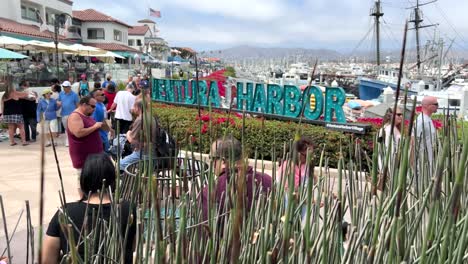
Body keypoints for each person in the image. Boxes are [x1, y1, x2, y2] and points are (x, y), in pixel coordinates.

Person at [42, 153, 136, 264]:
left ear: (83, 180)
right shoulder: (128, 208)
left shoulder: (65, 212)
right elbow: (134, 247)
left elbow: (46, 259)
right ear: (113, 180)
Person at [201, 136, 272, 220]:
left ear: (223, 161)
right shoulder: (268, 181)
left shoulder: (210, 191)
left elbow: (202, 229)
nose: (211, 163)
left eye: (212, 158)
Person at [67, 96, 103, 177]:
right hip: (84, 158)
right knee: (84, 183)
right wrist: (95, 127)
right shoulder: (75, 116)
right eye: (92, 106)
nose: (94, 109)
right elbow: (78, 133)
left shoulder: (86, 115)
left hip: (92, 158)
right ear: (84, 105)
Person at [119, 98, 157, 171]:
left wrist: (128, 133)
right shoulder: (151, 117)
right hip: (151, 151)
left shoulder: (140, 119)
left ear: (138, 107)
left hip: (143, 153)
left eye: (134, 106)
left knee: (120, 165)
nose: (133, 108)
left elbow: (132, 140)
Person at [411, 96, 439, 179]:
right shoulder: (421, 121)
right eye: (436, 104)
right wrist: (412, 163)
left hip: (427, 161)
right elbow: (413, 141)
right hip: (421, 162)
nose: (438, 106)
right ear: (428, 106)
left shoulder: (427, 119)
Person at [378, 107, 404, 171]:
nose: (401, 116)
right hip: (392, 165)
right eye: (398, 114)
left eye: (401, 114)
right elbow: (388, 149)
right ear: (391, 115)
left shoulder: (392, 128)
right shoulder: (389, 129)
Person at [58, 81, 80, 147]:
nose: (64, 88)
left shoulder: (74, 95)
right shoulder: (61, 94)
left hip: (72, 114)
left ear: (70, 87)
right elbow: (59, 102)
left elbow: (77, 105)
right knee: (66, 128)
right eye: (64, 87)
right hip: (64, 113)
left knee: (72, 128)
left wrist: (78, 113)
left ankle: (71, 141)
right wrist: (58, 103)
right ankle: (69, 140)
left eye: (66, 87)